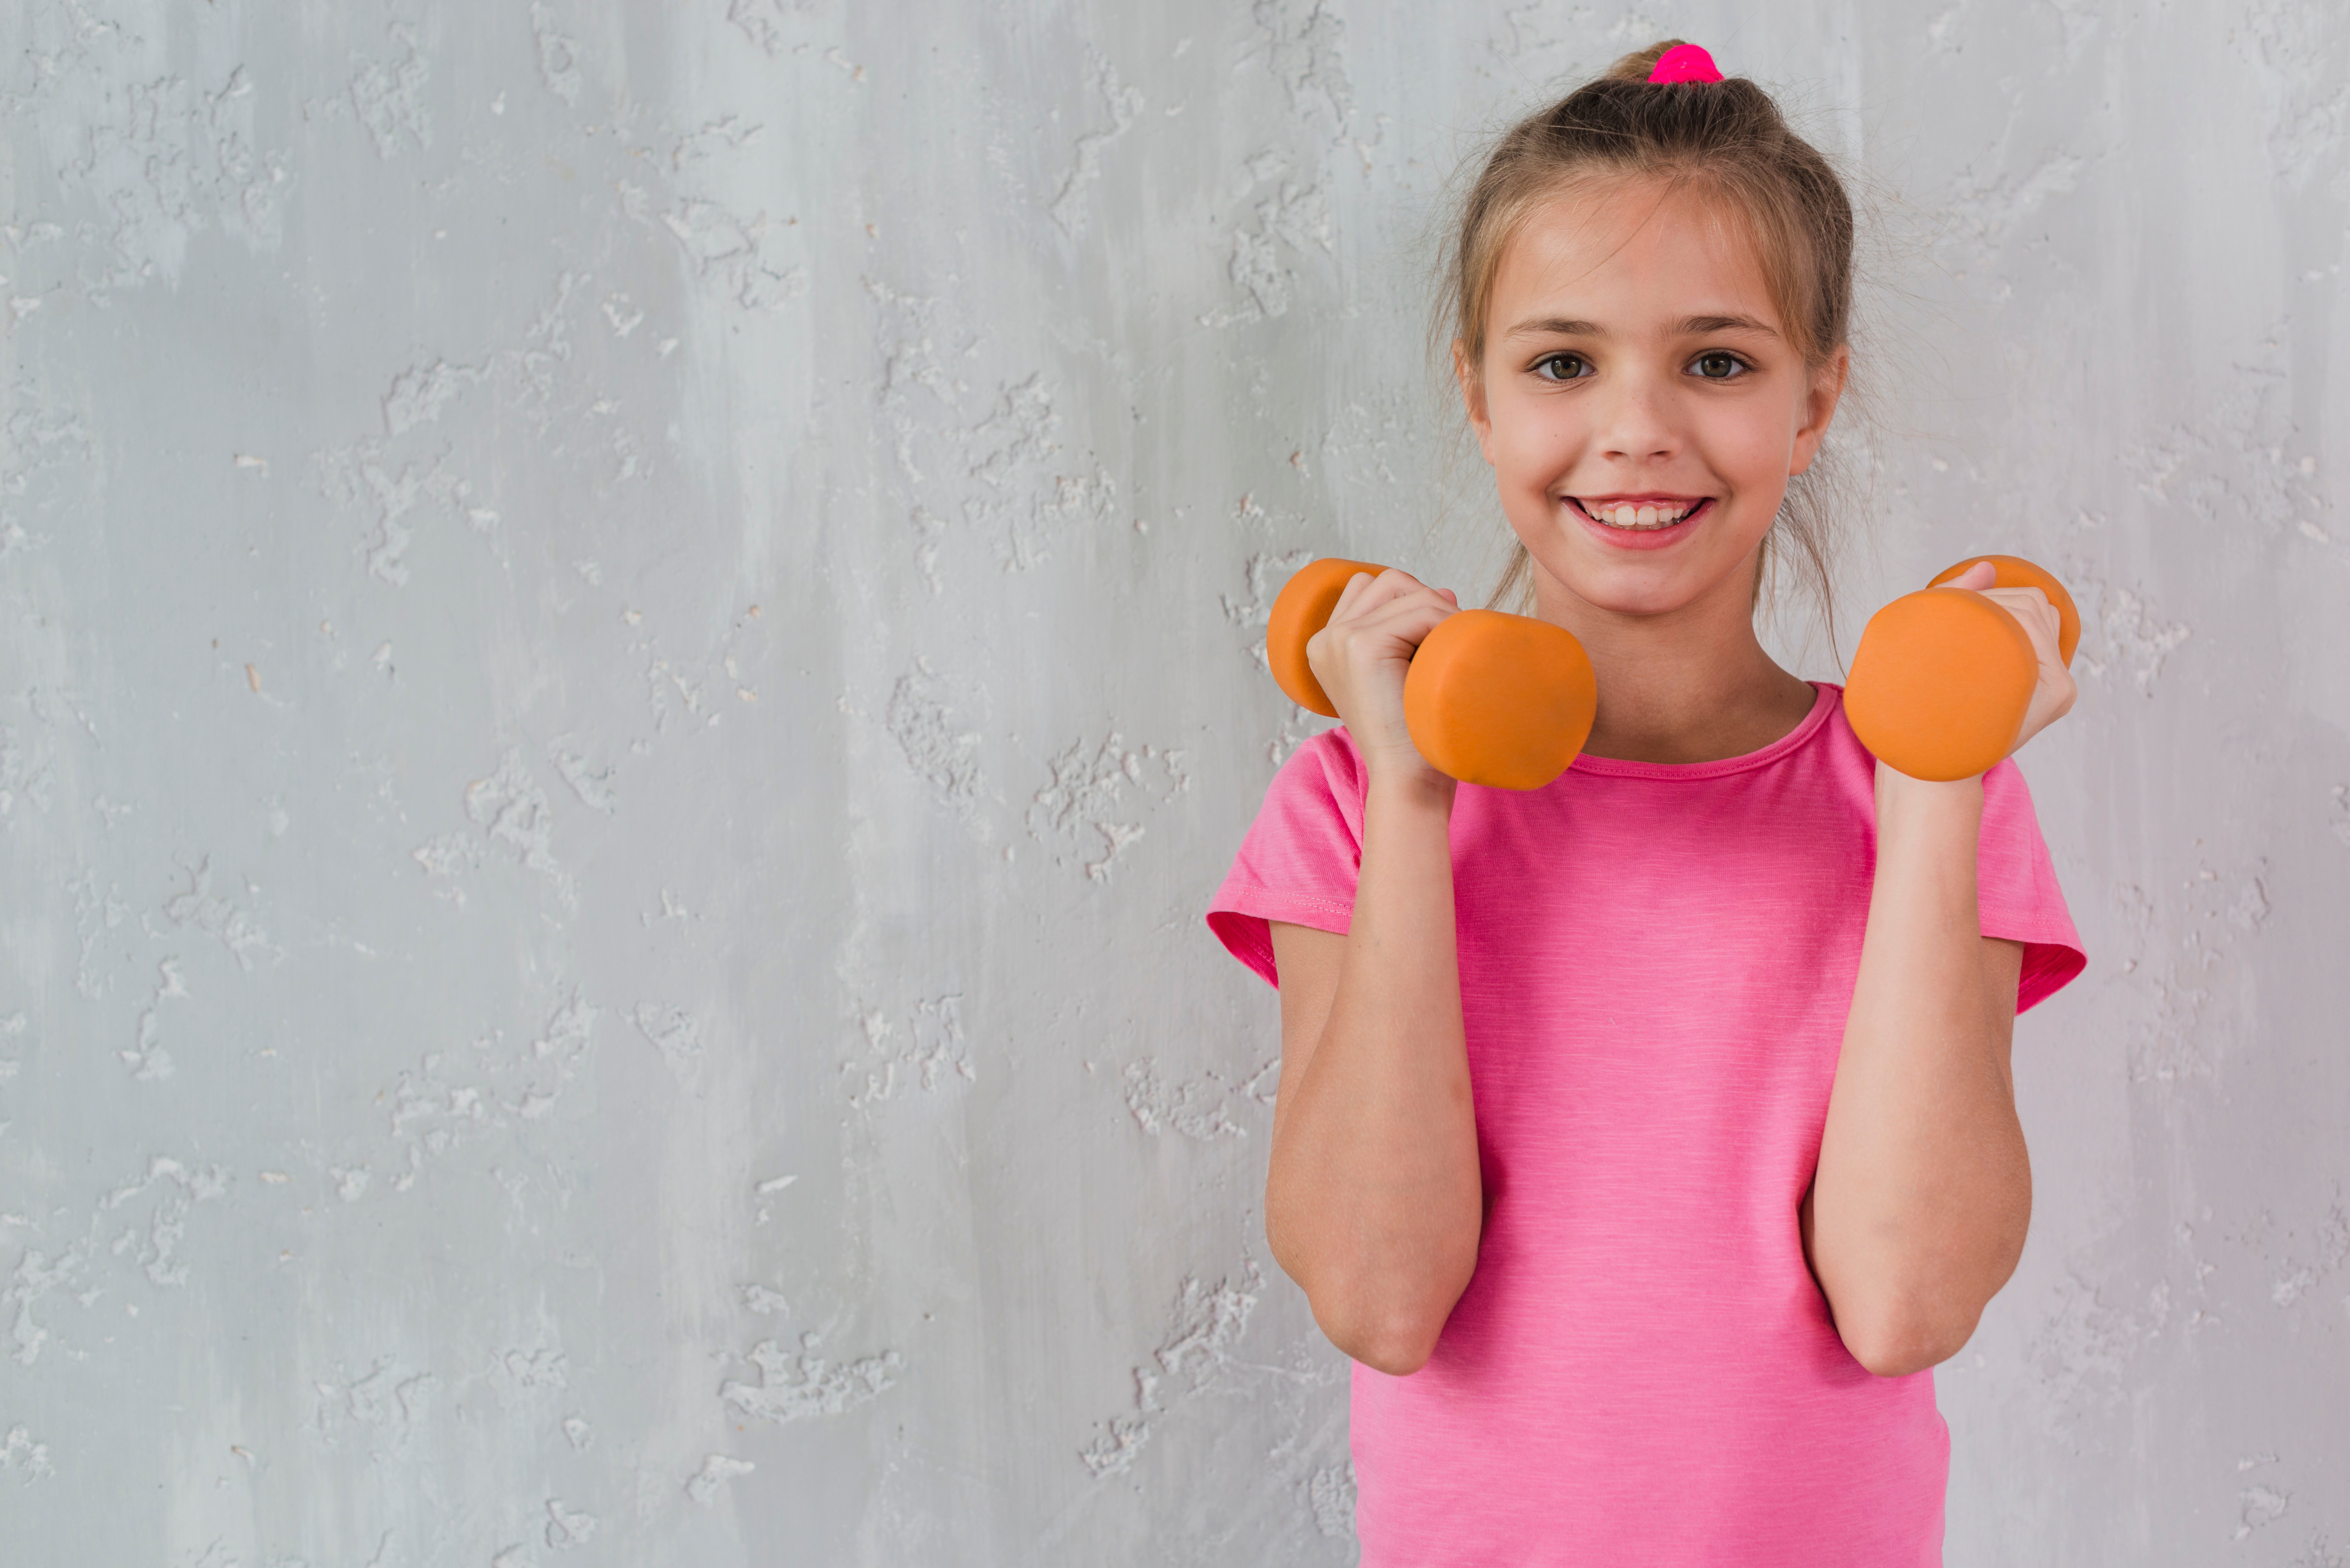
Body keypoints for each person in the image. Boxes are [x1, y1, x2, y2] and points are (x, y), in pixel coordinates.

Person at [1204, 40, 2085, 1565]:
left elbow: (1904, 1300)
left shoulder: (1924, 792)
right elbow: (1379, 1295)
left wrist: (1943, 777)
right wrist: (1414, 802)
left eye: (1718, 361)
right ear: (1474, 396)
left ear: (1814, 402)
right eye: (1562, 362)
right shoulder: (1355, 800)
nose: (1637, 429)